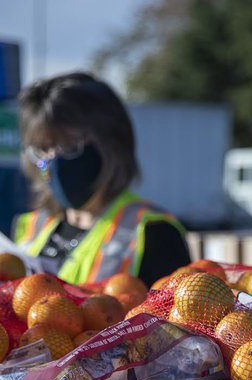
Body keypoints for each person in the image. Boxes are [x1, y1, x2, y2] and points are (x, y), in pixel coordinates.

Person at [13, 72, 191, 286]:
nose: (55, 160)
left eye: (70, 145)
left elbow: (175, 317)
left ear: (110, 142)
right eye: (43, 148)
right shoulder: (31, 226)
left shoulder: (153, 233)